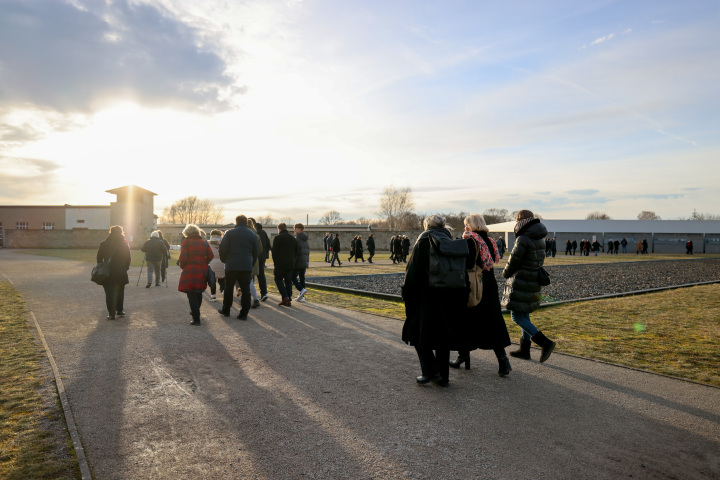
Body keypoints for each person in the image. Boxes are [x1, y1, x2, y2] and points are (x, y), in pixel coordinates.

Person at [402, 214, 470, 387]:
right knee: (442, 336)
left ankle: (430, 371)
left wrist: (407, 294)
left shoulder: (424, 240)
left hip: (427, 294)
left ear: (427, 226)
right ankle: (443, 376)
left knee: (416, 332)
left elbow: (413, 273)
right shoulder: (453, 242)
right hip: (451, 294)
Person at [450, 214, 512, 377]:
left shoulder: (470, 240)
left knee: (466, 320)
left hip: (474, 285)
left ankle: (462, 356)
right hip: (489, 285)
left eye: (466, 225)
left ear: (470, 226)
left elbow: (466, 264)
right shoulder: (490, 241)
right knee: (492, 322)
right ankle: (502, 360)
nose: (465, 228)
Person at [502, 209, 556, 363]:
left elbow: (514, 259)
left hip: (522, 279)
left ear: (520, 221)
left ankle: (545, 343)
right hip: (533, 278)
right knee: (524, 312)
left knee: (516, 316)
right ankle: (525, 349)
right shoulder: (539, 237)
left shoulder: (523, 238)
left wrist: (505, 273)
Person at [218, 215, 258, 321]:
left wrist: (224, 260)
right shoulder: (252, 235)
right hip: (246, 265)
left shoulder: (230, 233)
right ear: (246, 222)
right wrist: (251, 263)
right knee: (246, 289)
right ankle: (244, 313)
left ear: (236, 222)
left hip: (231, 265)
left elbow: (222, 248)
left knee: (228, 288)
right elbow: (255, 252)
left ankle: (226, 310)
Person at [178, 224, 213, 325]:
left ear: (187, 233)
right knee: (198, 291)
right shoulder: (204, 242)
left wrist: (182, 265)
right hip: (202, 269)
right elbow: (211, 256)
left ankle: (196, 318)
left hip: (189, 269)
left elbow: (183, 256)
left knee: (191, 293)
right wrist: (204, 262)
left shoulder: (186, 242)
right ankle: (195, 311)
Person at [96, 225, 132, 320]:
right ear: (121, 233)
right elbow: (128, 258)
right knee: (120, 291)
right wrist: (125, 268)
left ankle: (111, 314)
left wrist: (103, 266)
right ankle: (119, 310)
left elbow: (99, 258)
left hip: (107, 271)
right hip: (120, 270)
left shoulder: (103, 243)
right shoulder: (124, 244)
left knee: (109, 293)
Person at [272, 222, 299, 305]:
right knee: (288, 281)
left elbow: (274, 252)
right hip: (290, 263)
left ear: (279, 229)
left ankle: (285, 296)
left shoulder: (277, 238)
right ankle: (288, 299)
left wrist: (275, 262)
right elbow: (296, 251)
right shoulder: (293, 238)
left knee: (278, 279)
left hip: (280, 263)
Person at [292, 223, 310, 302]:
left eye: (295, 228)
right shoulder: (305, 240)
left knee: (293, 277)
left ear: (299, 229)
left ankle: (301, 290)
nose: (294, 230)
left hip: (298, 262)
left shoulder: (297, 240)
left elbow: (295, 252)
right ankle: (302, 297)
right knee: (302, 278)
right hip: (304, 262)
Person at [253, 221, 270, 302]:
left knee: (251, 276)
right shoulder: (264, 233)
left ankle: (251, 293)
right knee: (261, 275)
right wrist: (266, 255)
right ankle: (264, 293)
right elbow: (268, 245)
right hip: (262, 257)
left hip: (255, 257)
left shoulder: (253, 233)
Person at [208, 229, 225, 301]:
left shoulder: (208, 243)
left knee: (212, 280)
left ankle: (213, 296)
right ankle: (224, 292)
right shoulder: (223, 242)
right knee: (222, 280)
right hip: (222, 262)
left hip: (212, 263)